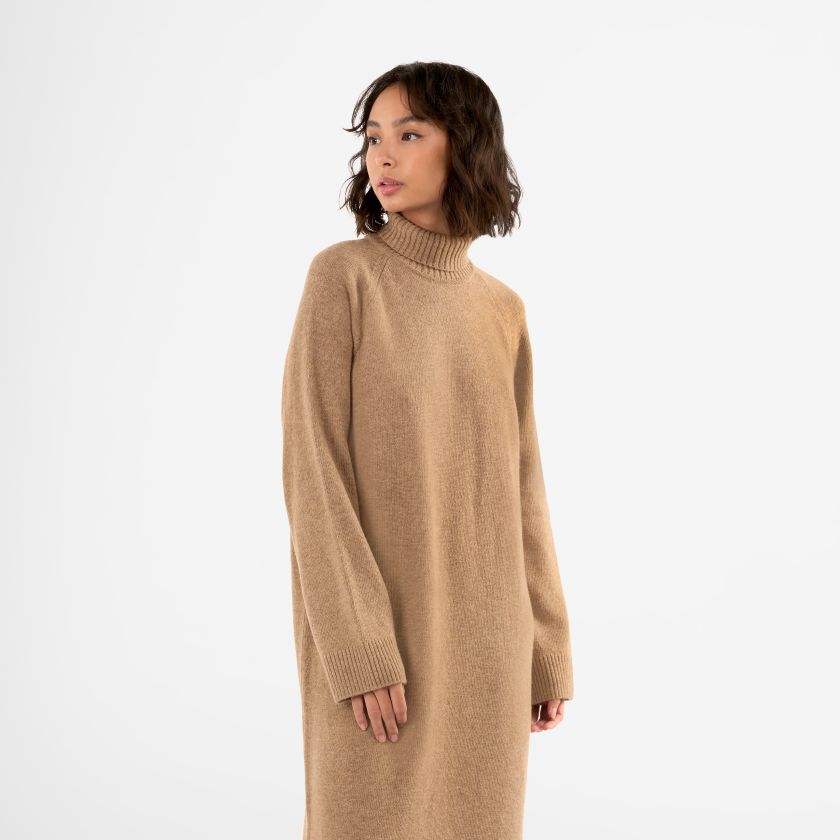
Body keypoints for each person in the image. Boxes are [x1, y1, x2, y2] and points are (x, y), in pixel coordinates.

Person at [281, 60, 574, 840]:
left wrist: (547, 643)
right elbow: (313, 471)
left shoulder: (501, 310)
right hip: (380, 644)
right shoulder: (345, 280)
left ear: (464, 146)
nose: (382, 155)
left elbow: (523, 485)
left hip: (489, 644)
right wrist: (359, 645)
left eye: (409, 135)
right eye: (373, 137)